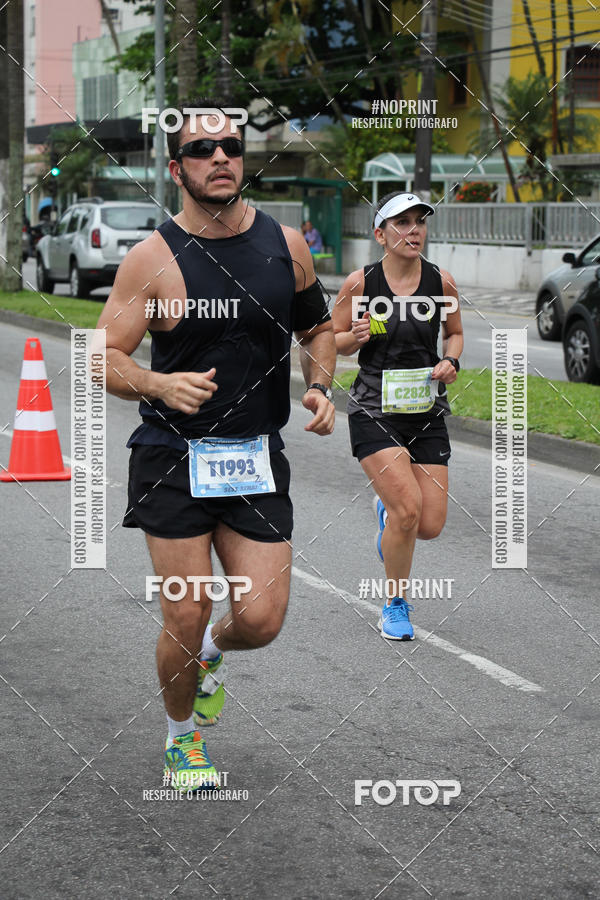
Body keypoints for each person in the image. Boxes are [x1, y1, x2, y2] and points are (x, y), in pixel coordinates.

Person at [96, 97, 335, 790]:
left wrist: (320, 385)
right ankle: (182, 739)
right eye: (202, 150)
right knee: (186, 606)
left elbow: (317, 328)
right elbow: (101, 355)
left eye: (230, 146)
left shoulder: (285, 245)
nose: (221, 157)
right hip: (171, 456)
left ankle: (210, 651)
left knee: (259, 620)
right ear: (178, 170)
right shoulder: (152, 259)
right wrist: (156, 384)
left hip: (254, 456)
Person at [331, 191, 463, 640]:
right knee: (408, 510)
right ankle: (394, 604)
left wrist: (451, 360)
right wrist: (353, 336)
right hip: (374, 408)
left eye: (419, 222)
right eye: (402, 223)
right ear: (380, 234)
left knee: (429, 525)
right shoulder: (361, 284)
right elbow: (332, 339)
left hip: (426, 409)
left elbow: (455, 333)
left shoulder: (441, 281)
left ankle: (387, 518)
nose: (413, 230)